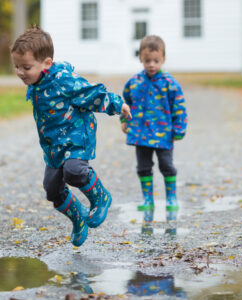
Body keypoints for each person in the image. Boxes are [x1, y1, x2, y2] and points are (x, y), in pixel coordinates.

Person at [10, 26, 131, 247]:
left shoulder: (62, 80)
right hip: (54, 147)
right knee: (52, 190)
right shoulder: (36, 83)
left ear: (46, 63)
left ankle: (100, 196)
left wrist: (117, 104)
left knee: (74, 172)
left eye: (26, 67)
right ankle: (78, 218)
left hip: (76, 137)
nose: (20, 72)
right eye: (17, 66)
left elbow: (91, 93)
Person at [121, 35, 187, 212]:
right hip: (141, 134)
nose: (152, 64)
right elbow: (125, 104)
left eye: (156, 61)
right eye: (148, 60)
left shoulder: (170, 84)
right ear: (141, 58)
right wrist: (125, 121)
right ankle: (147, 199)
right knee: (143, 167)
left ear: (163, 59)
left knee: (166, 165)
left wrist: (179, 129)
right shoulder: (133, 83)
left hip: (164, 134)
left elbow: (179, 107)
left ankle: (171, 197)